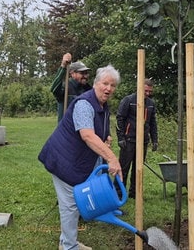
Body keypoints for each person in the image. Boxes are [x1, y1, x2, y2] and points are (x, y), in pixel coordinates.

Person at [39, 65, 123, 250]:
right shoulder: (84, 103)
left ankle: (66, 241)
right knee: (70, 205)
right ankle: (69, 246)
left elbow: (99, 131)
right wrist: (112, 158)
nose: (108, 88)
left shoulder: (103, 104)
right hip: (63, 159)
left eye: (112, 85)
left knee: (75, 203)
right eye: (105, 83)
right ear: (96, 84)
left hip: (76, 160)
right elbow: (87, 135)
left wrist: (105, 139)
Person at [115, 78, 159, 199]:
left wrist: (154, 139)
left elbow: (153, 123)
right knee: (123, 168)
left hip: (143, 141)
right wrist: (121, 138)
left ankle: (134, 193)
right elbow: (120, 119)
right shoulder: (128, 100)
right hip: (129, 140)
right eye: (146, 91)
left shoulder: (150, 103)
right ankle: (118, 194)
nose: (148, 94)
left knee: (138, 169)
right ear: (139, 88)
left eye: (150, 91)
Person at [50, 53, 92, 122]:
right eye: (82, 73)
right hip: (66, 130)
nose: (85, 76)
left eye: (86, 73)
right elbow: (54, 89)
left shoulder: (87, 89)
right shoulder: (66, 87)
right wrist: (63, 66)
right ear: (72, 73)